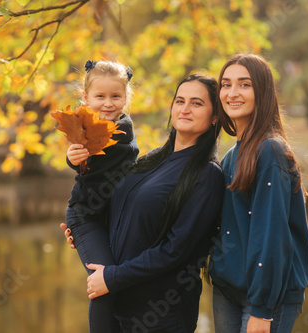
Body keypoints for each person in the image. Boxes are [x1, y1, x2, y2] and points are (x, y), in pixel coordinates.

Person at [64, 74, 225, 332]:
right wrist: (87, 231)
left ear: (215, 115)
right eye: (180, 100)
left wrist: (111, 277)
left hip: (159, 314)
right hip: (118, 305)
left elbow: (176, 250)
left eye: (197, 103)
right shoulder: (152, 159)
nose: (184, 109)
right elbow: (123, 210)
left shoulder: (207, 175)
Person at [209, 53, 308, 333]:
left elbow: (271, 233)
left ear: (262, 92)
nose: (232, 93)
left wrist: (262, 310)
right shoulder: (231, 156)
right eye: (226, 84)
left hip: (267, 300)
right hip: (228, 291)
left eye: (244, 84)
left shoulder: (271, 151)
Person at [63, 59, 139, 333]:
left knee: (124, 284)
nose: (108, 103)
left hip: (115, 218)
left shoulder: (124, 131)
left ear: (126, 98)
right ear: (86, 97)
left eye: (116, 96)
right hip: (87, 217)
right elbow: (83, 165)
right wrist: (73, 157)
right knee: (103, 281)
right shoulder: (83, 128)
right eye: (100, 96)